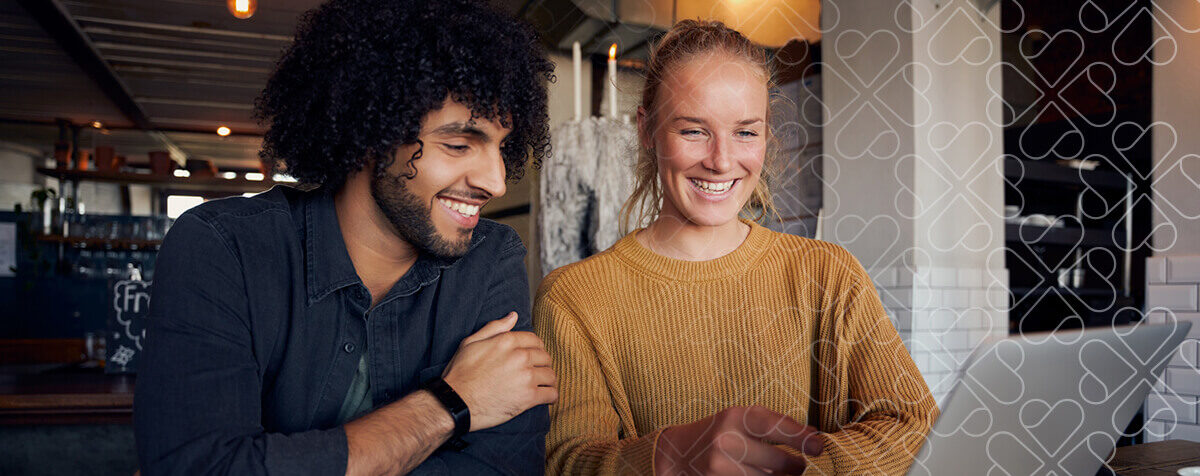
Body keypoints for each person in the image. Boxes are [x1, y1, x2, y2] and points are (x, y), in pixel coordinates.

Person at [134, 1, 558, 474]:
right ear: (369, 134)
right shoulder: (222, 247)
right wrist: (448, 405)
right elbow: (199, 468)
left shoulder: (490, 260)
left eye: (502, 147)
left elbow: (504, 468)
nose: (497, 183)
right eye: (458, 145)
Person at [533, 20, 938, 475]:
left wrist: (794, 469)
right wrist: (670, 457)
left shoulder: (828, 274)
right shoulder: (574, 298)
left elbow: (914, 425)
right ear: (647, 130)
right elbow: (565, 461)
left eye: (745, 132)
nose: (722, 160)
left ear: (767, 135)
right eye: (693, 131)